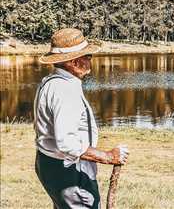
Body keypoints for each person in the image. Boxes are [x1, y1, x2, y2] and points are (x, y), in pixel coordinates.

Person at [34, 28, 129, 208]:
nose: (90, 60)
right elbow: (67, 143)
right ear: (75, 62)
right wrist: (108, 156)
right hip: (68, 170)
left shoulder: (51, 81)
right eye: (88, 56)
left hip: (50, 164)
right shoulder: (65, 90)